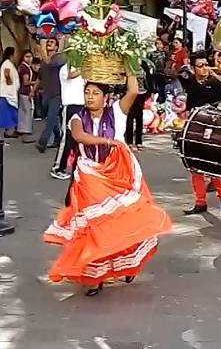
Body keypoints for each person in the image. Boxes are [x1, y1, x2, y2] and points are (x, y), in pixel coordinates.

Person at [42, 71, 172, 296]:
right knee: (94, 227)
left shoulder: (116, 113)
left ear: (106, 98)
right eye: (87, 92)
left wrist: (127, 64)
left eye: (95, 93)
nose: (90, 97)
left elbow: (132, 90)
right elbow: (80, 136)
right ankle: (95, 277)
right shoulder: (77, 117)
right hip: (89, 177)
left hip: (117, 175)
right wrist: (108, 141)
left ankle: (127, 264)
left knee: (121, 223)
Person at [181, 53, 221, 216]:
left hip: (212, 127)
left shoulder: (215, 83)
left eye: (206, 65)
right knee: (194, 166)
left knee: (212, 165)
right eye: (200, 66)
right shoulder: (192, 82)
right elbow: (189, 103)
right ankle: (200, 202)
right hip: (195, 126)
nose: (205, 68)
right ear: (194, 68)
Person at [51, 63, 85, 180]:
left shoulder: (82, 69)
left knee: (80, 138)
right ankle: (57, 167)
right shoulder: (66, 68)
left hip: (82, 106)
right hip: (70, 106)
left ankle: (78, 166)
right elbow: (71, 75)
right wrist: (84, 67)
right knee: (67, 138)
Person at [36, 38, 65, 152]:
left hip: (56, 94)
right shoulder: (44, 61)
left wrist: (42, 47)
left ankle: (42, 142)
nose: (48, 43)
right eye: (48, 42)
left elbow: (50, 62)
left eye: (52, 42)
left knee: (51, 118)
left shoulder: (59, 58)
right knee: (50, 118)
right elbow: (40, 77)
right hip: (46, 94)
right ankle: (58, 138)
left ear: (57, 47)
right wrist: (33, 90)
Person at [124, 66, 149, 151]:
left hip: (141, 94)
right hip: (129, 94)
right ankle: (129, 142)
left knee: (139, 118)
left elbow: (146, 80)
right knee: (129, 118)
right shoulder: (128, 67)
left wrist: (148, 92)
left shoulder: (142, 68)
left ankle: (139, 142)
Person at [16, 49, 35, 142]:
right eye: (27, 56)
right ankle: (25, 133)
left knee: (23, 111)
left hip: (22, 92)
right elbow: (26, 82)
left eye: (30, 56)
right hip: (25, 92)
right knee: (27, 112)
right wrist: (37, 82)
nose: (29, 59)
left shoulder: (24, 66)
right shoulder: (24, 68)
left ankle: (21, 130)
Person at [0, 47, 19, 138]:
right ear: (11, 55)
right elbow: (6, 73)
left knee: (10, 113)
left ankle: (10, 131)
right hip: (7, 93)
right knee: (9, 114)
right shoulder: (7, 63)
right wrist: (9, 81)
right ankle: (9, 132)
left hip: (10, 92)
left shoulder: (9, 64)